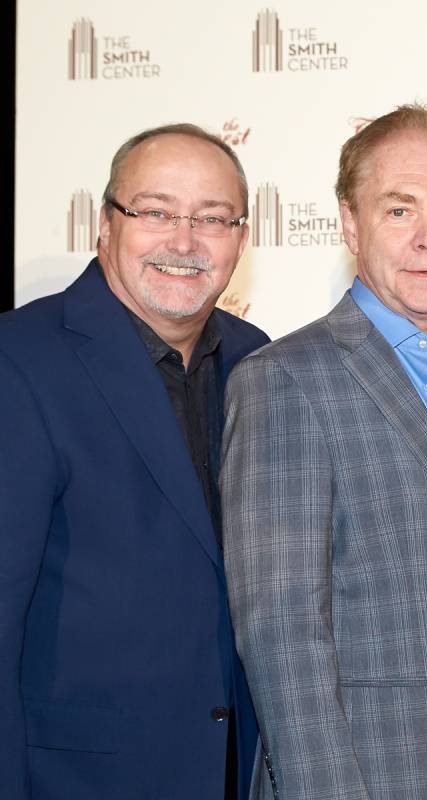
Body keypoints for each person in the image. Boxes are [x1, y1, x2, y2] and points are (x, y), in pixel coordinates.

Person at [221, 104, 427, 800]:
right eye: (399, 211)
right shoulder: (284, 380)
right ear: (349, 224)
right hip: (372, 778)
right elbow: (281, 635)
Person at [0, 124, 266, 798]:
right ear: (105, 224)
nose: (184, 241)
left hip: (236, 770)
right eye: (154, 212)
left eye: (212, 218)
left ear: (240, 236)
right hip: (78, 777)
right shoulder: (20, 359)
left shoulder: (258, 361)